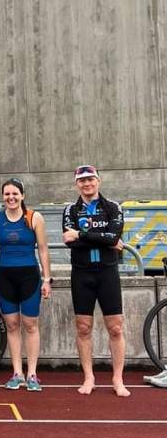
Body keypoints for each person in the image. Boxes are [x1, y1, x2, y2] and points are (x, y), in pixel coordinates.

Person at [62, 165, 129, 397]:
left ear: (98, 181)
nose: (87, 184)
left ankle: (118, 379)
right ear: (76, 184)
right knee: (83, 327)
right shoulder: (70, 210)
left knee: (116, 327)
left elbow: (114, 236)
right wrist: (105, 240)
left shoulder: (113, 207)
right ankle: (89, 377)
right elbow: (69, 242)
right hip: (82, 273)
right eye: (82, 180)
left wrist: (81, 234)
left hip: (107, 273)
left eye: (90, 179)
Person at [0, 179, 52, 391]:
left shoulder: (34, 217)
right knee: (12, 324)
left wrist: (47, 279)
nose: (11, 197)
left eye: (15, 193)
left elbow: (43, 249)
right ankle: (17, 373)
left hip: (29, 276)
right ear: (2, 196)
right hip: (6, 277)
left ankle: (32, 373)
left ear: (22, 195)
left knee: (30, 324)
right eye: (7, 194)